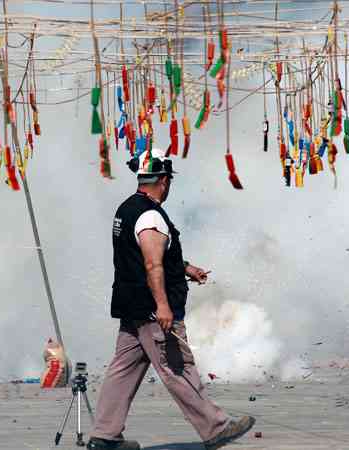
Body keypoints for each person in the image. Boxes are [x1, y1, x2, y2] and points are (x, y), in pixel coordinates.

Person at [88, 148, 255, 450]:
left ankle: (104, 435)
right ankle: (216, 428)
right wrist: (163, 306)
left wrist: (186, 268)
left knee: (123, 370)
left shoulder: (127, 209)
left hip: (133, 307)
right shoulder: (151, 215)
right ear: (163, 180)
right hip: (154, 311)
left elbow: (145, 255)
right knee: (177, 367)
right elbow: (153, 264)